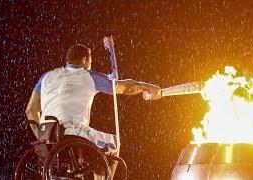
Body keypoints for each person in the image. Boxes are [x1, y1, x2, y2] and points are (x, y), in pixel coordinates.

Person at [25, 42, 161, 179]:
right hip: (72, 134)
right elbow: (126, 87)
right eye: (90, 61)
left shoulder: (46, 77)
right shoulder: (89, 76)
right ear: (85, 60)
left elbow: (31, 111)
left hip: (47, 140)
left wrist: (42, 136)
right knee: (113, 143)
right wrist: (149, 88)